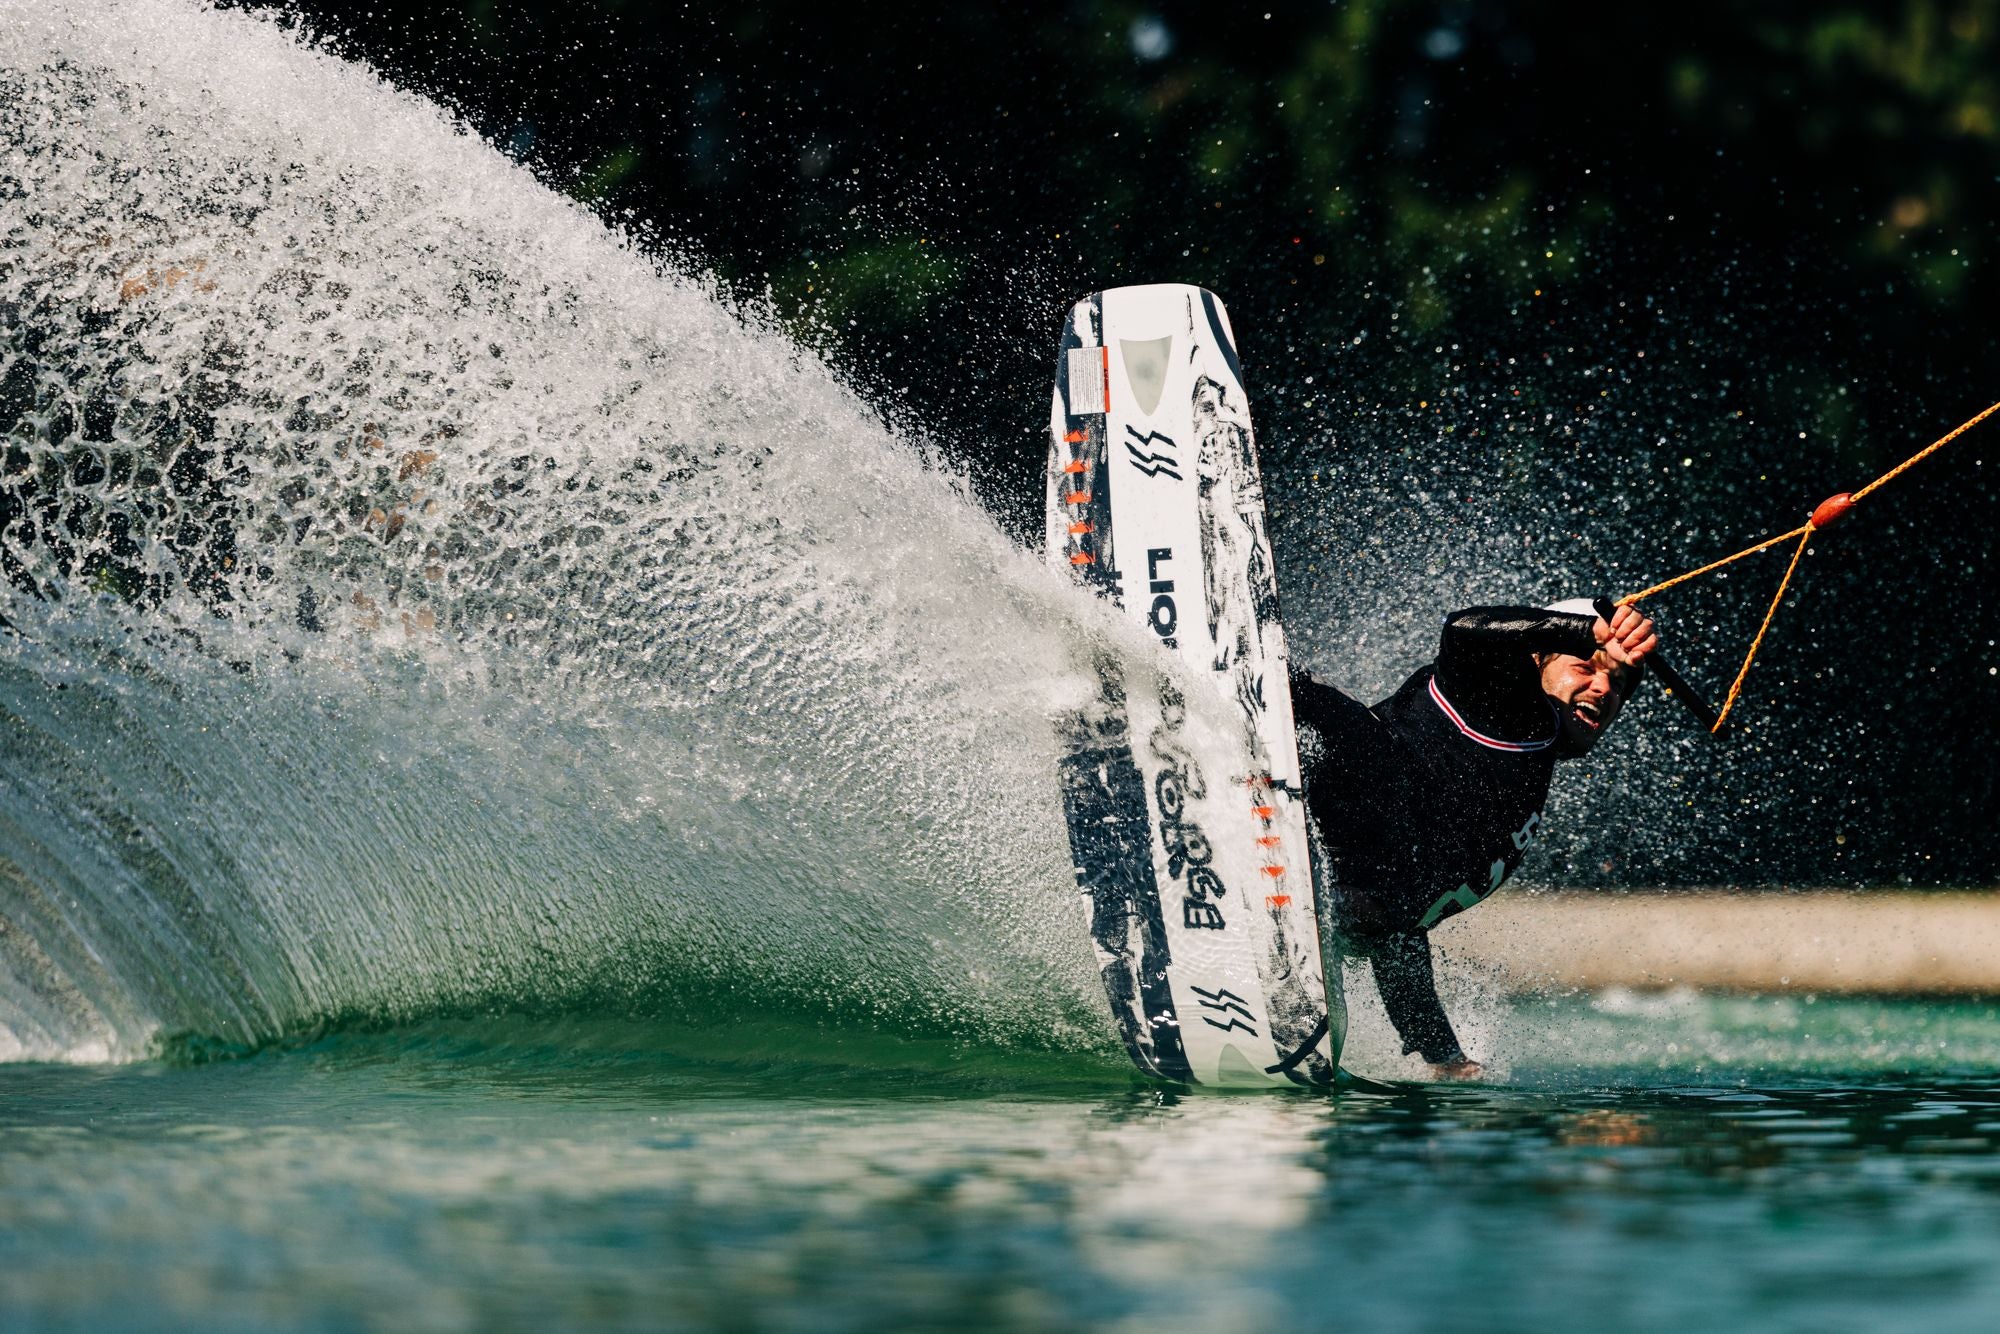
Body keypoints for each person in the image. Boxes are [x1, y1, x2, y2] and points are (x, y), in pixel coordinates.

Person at [1288, 599, 1658, 1080]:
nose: (1604, 687)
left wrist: (1443, 1056)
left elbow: (1397, 930)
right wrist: (1583, 629)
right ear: (1534, 660)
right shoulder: (1501, 699)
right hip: (1319, 770)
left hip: (1333, 883)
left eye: (1619, 682)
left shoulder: (1528, 768)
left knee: (1382, 915)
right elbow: (1465, 630)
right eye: (1585, 666)